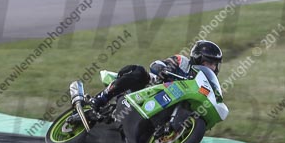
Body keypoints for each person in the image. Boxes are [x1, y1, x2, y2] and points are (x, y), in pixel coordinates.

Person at [90, 40, 223, 110]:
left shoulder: (205, 82)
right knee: (139, 72)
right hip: (149, 89)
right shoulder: (182, 62)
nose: (212, 67)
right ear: (198, 58)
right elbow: (158, 63)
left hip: (167, 104)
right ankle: (101, 98)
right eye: (209, 62)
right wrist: (161, 69)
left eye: (214, 64)